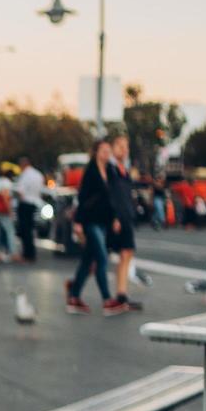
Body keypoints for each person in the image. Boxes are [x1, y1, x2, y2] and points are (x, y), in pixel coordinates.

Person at [65, 139, 126, 315]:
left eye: (109, 150)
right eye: (103, 150)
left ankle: (74, 296)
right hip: (90, 221)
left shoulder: (109, 170)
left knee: (87, 261)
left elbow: (111, 198)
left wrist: (115, 218)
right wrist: (77, 222)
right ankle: (107, 300)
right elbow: (82, 197)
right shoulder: (91, 171)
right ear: (96, 152)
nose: (107, 153)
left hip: (103, 221)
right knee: (102, 259)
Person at [107, 134, 142, 310]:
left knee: (126, 253)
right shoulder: (109, 169)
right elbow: (109, 195)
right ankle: (74, 288)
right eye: (120, 146)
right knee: (95, 259)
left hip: (126, 217)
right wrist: (113, 216)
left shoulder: (123, 170)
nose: (124, 150)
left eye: (126, 147)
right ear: (112, 148)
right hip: (115, 219)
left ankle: (122, 295)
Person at [14, 155, 45, 261]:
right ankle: (31, 253)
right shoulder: (38, 175)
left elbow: (20, 191)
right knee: (30, 230)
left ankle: (27, 254)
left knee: (24, 230)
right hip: (34, 203)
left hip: (25, 204)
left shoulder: (25, 175)